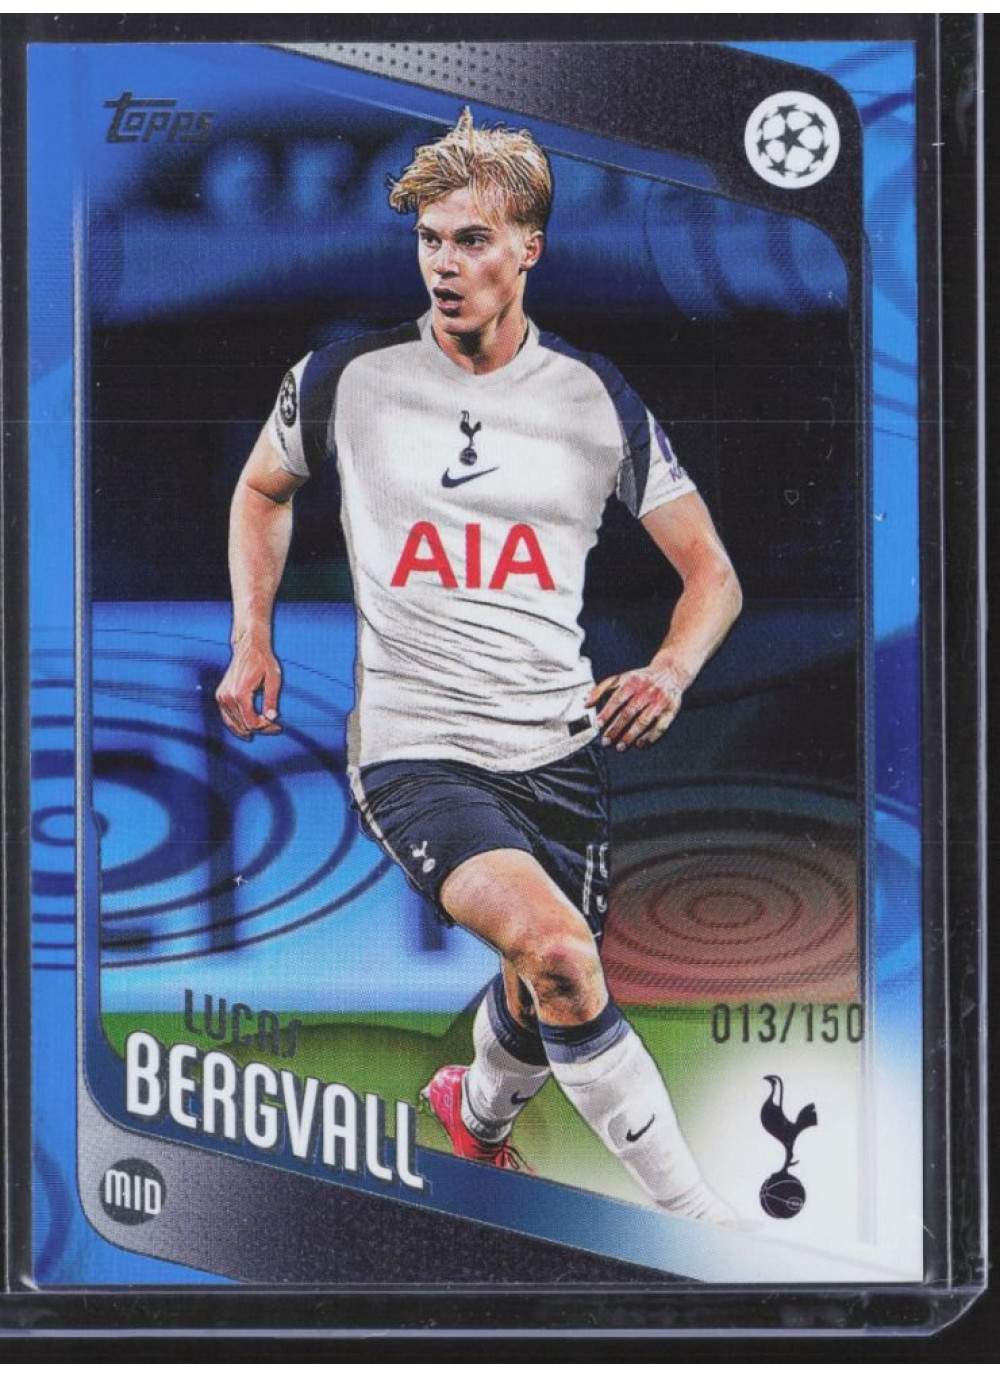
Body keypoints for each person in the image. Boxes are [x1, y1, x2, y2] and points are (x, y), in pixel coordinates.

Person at [217, 110, 742, 1224]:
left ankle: (475, 1118)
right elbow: (263, 488)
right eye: (430, 241)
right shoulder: (346, 377)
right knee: (558, 953)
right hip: (417, 751)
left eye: (471, 241)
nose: (445, 265)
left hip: (559, 749)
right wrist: (251, 636)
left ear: (528, 249)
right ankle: (702, 1224)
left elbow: (712, 575)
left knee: (539, 985)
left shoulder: (594, 399)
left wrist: (669, 669)